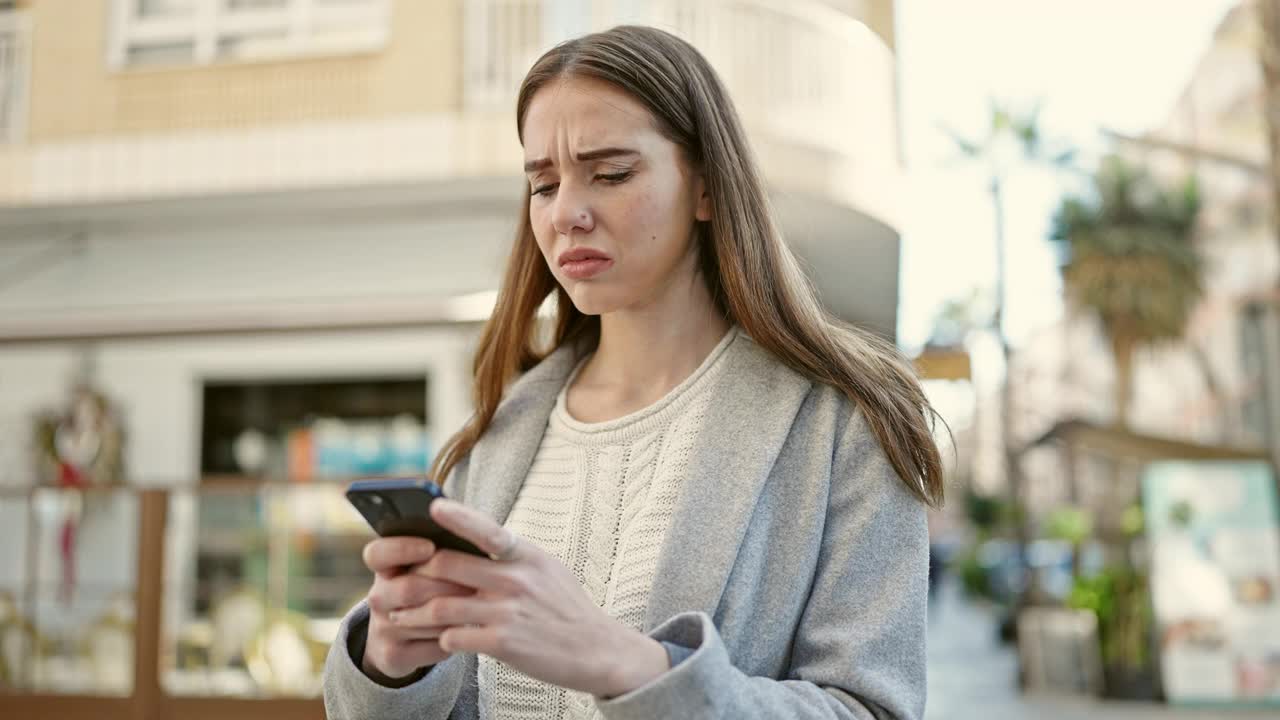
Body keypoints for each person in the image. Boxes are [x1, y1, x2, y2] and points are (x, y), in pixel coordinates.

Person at [323, 24, 944, 720]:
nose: (567, 214)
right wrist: (393, 668)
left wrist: (627, 664)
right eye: (544, 184)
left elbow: (873, 709)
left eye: (611, 173)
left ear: (706, 187)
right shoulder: (501, 432)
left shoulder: (847, 423)